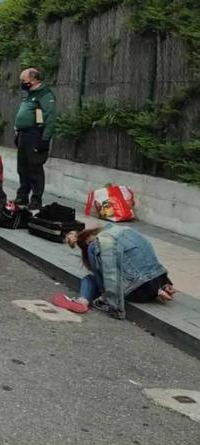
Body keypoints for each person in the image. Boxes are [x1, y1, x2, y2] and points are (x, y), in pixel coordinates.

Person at [54, 225, 176, 319]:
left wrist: (111, 303)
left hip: (138, 292)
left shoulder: (98, 244)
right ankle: (82, 300)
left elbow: (110, 274)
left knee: (90, 279)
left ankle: (82, 301)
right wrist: (164, 283)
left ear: (87, 242)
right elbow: (147, 257)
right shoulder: (125, 230)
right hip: (157, 281)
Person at [13, 68, 57, 211]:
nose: (22, 83)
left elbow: (50, 117)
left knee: (35, 168)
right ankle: (22, 196)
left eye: (24, 81)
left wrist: (44, 139)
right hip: (24, 135)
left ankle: (36, 200)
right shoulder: (30, 94)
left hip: (35, 135)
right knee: (22, 168)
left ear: (33, 80)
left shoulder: (44, 94)